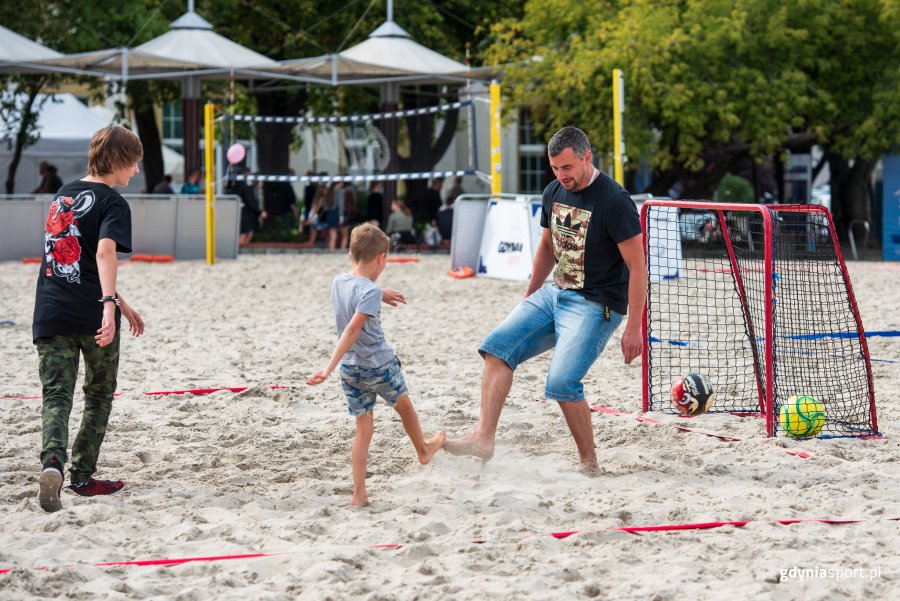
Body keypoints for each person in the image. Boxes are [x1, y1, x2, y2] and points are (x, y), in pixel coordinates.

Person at [445, 126, 646, 473]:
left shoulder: (614, 200)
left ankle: (589, 462)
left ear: (587, 157)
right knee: (496, 349)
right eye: (554, 168)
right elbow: (546, 248)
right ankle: (484, 438)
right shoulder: (554, 190)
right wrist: (529, 296)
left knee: (561, 383)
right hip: (554, 293)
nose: (560, 175)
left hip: (597, 304)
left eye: (566, 168)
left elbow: (638, 265)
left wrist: (634, 328)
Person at [34, 124, 146, 513]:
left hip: (49, 312)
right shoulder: (113, 202)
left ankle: (52, 464)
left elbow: (73, 259)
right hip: (92, 314)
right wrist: (109, 306)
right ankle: (82, 475)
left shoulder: (63, 195)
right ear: (116, 160)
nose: (135, 172)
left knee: (56, 396)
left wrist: (123, 303)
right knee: (98, 394)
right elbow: (101, 255)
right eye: (133, 163)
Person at [307, 223, 446, 506]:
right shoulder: (369, 291)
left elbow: (358, 290)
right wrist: (327, 366)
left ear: (351, 253)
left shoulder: (338, 281)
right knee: (404, 407)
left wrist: (379, 292)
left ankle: (359, 494)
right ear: (382, 258)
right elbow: (352, 330)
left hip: (351, 371)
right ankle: (423, 449)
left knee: (363, 429)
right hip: (379, 366)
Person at [229, 169, 267, 245]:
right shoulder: (244, 187)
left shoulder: (239, 186)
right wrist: (260, 212)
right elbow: (250, 202)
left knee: (248, 233)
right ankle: (238, 250)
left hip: (240, 212)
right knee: (245, 234)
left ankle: (239, 250)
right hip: (243, 214)